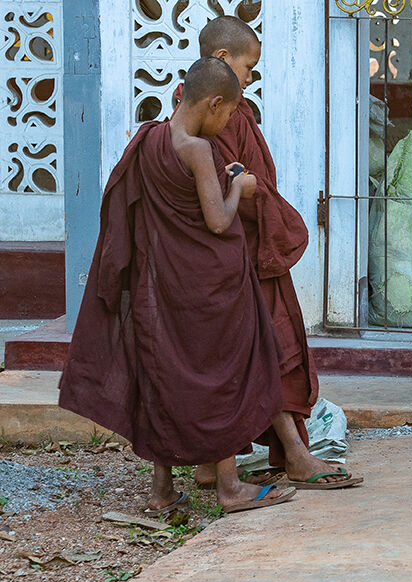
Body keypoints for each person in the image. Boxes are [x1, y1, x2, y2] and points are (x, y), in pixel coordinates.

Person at [59, 57, 294, 515]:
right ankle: (229, 486)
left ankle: (161, 490)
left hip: (161, 284)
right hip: (209, 288)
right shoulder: (198, 149)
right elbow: (218, 221)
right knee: (220, 376)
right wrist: (239, 187)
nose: (228, 122)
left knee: (163, 376)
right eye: (230, 112)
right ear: (214, 103)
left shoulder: (149, 138)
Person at [192, 16, 360, 490]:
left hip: (246, 246)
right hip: (238, 251)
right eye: (249, 67)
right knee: (274, 348)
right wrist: (258, 197)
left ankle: (214, 462)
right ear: (223, 58)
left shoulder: (228, 110)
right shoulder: (210, 114)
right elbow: (223, 186)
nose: (251, 77)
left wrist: (258, 193)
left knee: (255, 349)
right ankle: (294, 456)